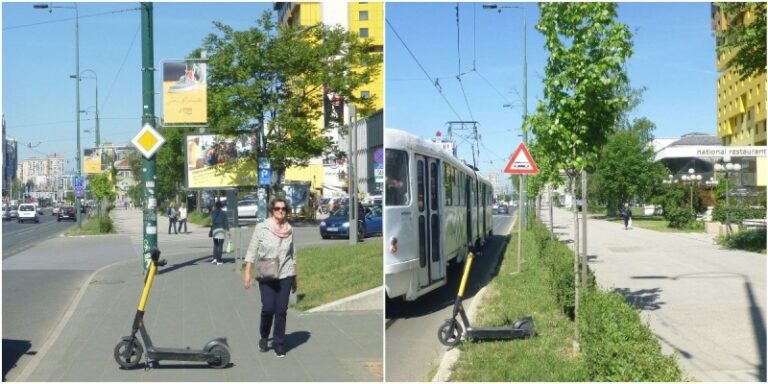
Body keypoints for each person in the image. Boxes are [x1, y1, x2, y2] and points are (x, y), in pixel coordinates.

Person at [242, 198, 297, 358]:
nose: (281, 211)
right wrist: (247, 272)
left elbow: (293, 255)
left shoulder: (290, 229)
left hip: (285, 274)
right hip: (266, 272)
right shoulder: (262, 227)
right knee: (268, 308)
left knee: (281, 311)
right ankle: (264, 336)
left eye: (283, 208)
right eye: (277, 208)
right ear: (272, 210)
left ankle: (279, 344)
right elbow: (252, 250)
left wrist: (295, 278)